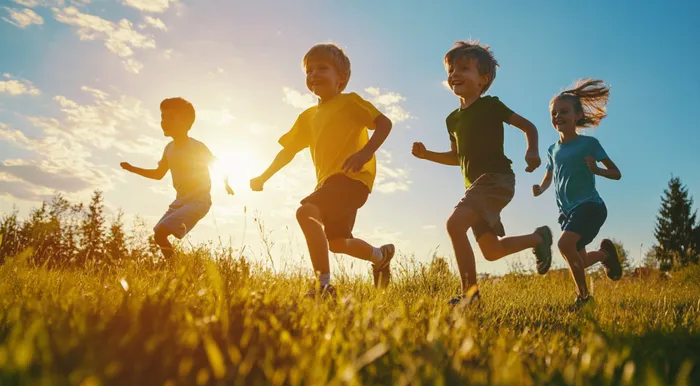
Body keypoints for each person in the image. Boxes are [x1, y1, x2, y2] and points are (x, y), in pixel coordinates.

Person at [412, 40, 552, 305]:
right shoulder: (452, 120)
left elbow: (529, 126)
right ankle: (538, 238)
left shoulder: (491, 106)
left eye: (464, 68)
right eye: (451, 69)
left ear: (483, 79)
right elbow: (457, 157)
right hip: (476, 185)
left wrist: (532, 151)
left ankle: (470, 295)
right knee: (491, 251)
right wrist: (427, 154)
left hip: (496, 178)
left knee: (455, 224)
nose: (455, 74)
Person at [250, 43, 395, 298]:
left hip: (352, 179)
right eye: (309, 70)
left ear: (342, 77)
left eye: (322, 68)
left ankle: (323, 286)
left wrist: (365, 153)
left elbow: (384, 124)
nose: (314, 74)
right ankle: (380, 256)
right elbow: (288, 151)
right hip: (329, 184)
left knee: (306, 212)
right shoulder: (308, 117)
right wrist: (264, 176)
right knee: (338, 243)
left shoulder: (350, 103)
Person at [533, 79, 622, 308]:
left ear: (578, 116)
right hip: (567, 212)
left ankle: (584, 298)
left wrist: (596, 170)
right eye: (554, 113)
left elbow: (616, 173)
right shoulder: (552, 150)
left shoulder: (589, 143)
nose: (557, 116)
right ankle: (605, 255)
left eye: (564, 111)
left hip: (590, 206)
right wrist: (540, 188)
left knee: (564, 245)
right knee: (579, 261)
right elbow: (548, 175)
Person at [120, 97, 234, 259]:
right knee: (158, 235)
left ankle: (178, 269)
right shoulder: (168, 149)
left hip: (198, 201)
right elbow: (158, 174)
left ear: (186, 122)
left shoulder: (196, 147)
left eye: (171, 118)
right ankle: (176, 269)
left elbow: (218, 164)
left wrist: (226, 184)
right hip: (180, 201)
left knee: (161, 231)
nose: (164, 121)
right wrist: (132, 169)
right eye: (163, 117)